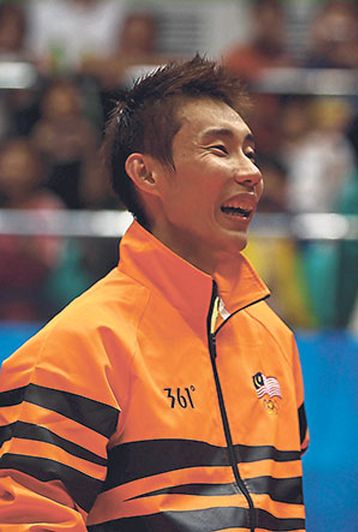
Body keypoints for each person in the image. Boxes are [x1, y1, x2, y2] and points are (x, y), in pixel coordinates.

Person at [0, 56, 308, 530]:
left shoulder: (274, 338)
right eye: (219, 150)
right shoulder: (77, 348)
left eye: (250, 151)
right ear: (146, 174)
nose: (250, 173)